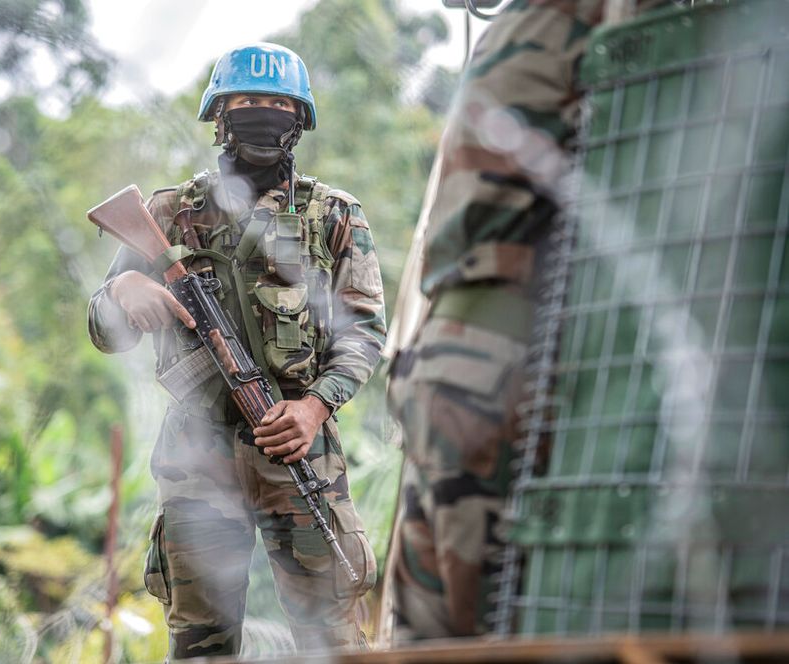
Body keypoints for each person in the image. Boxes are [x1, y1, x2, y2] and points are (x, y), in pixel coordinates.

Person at [384, 0, 673, 641]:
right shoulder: (599, 14)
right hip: (508, 365)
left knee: (432, 641)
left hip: (448, 359)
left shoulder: (519, 21)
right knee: (503, 637)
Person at [87, 42, 385, 659]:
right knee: (201, 643)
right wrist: (122, 290)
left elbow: (363, 333)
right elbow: (103, 330)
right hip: (197, 453)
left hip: (298, 447)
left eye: (279, 104)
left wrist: (315, 408)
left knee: (332, 640)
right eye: (247, 100)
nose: (262, 114)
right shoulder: (167, 213)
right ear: (219, 115)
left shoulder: (333, 215)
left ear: (299, 120)